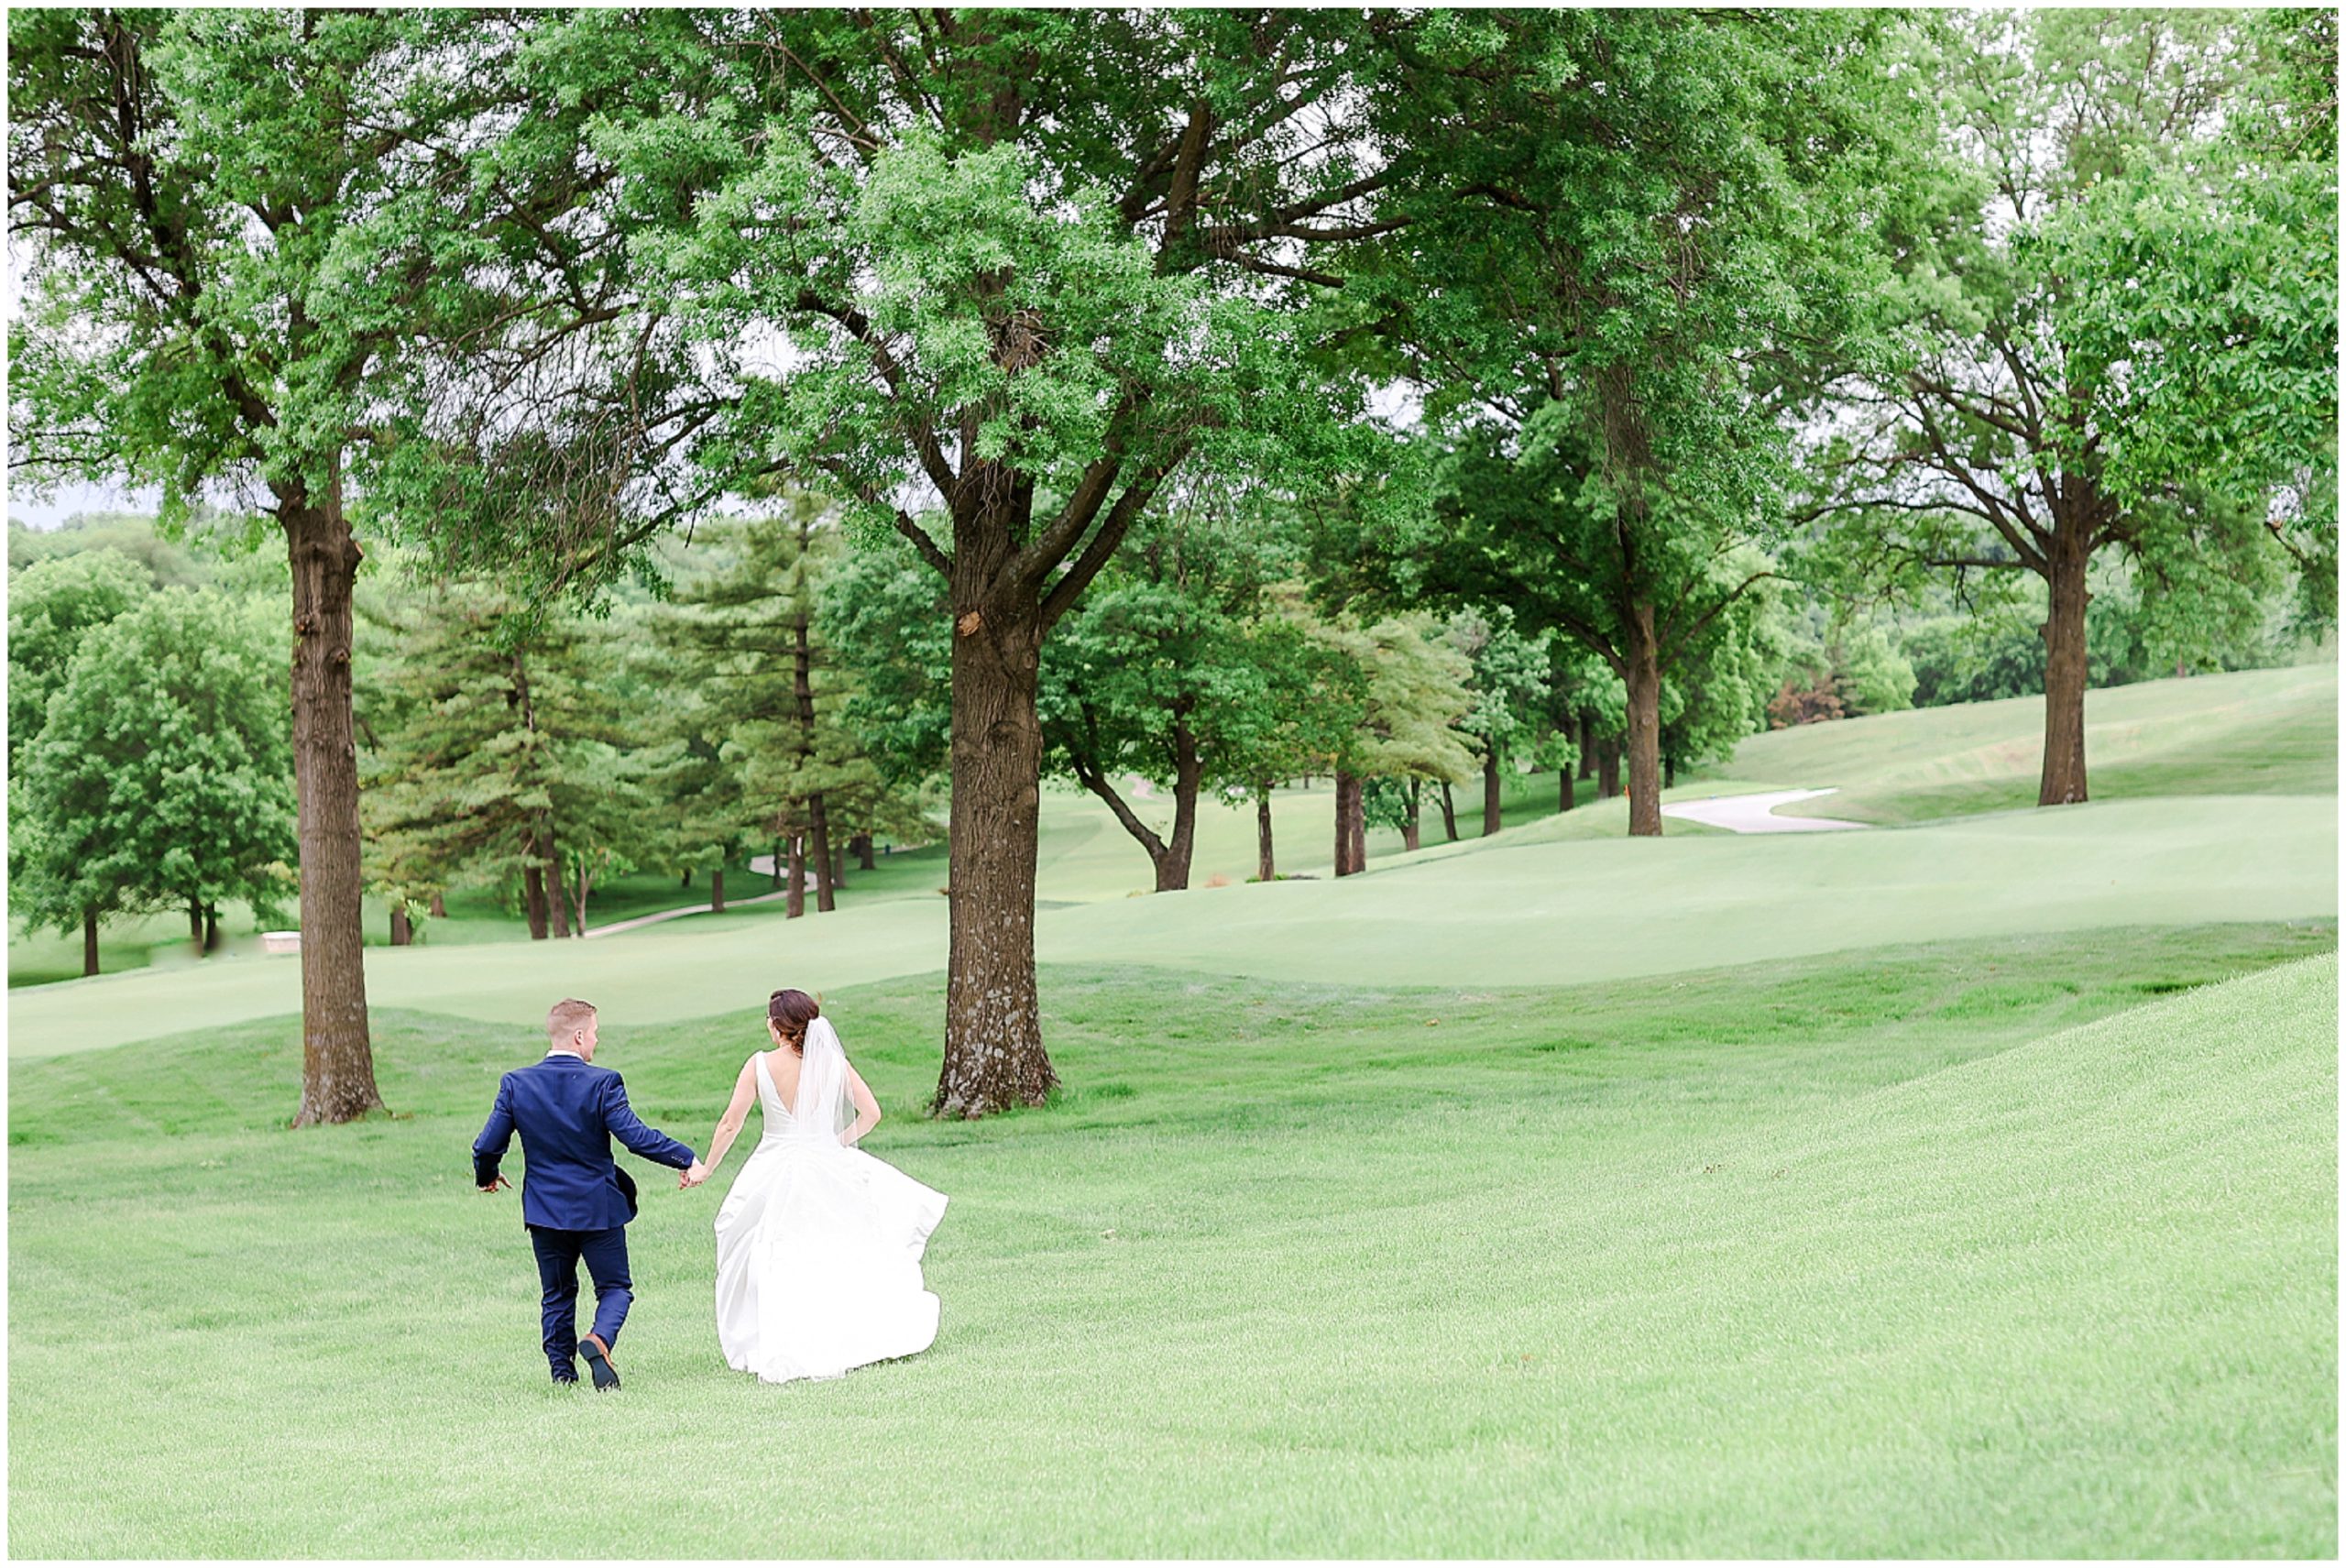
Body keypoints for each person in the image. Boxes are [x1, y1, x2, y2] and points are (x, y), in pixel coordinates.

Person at [688, 989, 948, 1383]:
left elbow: (730, 1123)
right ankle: (844, 1331)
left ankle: (774, 1335)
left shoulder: (760, 1065)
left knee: (767, 1248)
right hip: (825, 1162)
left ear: (778, 1027)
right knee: (831, 1247)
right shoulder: (833, 1064)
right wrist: (835, 1144)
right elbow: (871, 1113)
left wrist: (707, 1167)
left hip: (773, 1165)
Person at [473, 998, 705, 1389]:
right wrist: (684, 1158)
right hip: (598, 1207)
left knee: (558, 1292)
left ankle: (562, 1372)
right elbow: (635, 1137)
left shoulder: (516, 1083)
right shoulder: (603, 1082)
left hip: (545, 1210)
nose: (596, 1041)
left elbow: (486, 1145)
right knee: (615, 1287)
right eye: (595, 1033)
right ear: (579, 1036)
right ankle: (599, 1339)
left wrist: (487, 1176)